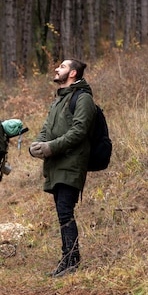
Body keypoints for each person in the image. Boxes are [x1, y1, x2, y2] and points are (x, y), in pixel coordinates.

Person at [29, 59, 96, 277]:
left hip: (72, 163)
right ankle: (67, 260)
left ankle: (71, 261)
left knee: (65, 211)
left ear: (73, 73)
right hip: (56, 163)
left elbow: (79, 131)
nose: (57, 69)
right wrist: (37, 145)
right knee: (62, 212)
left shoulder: (83, 98)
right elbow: (46, 128)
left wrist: (51, 148)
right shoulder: (58, 101)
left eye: (62, 67)